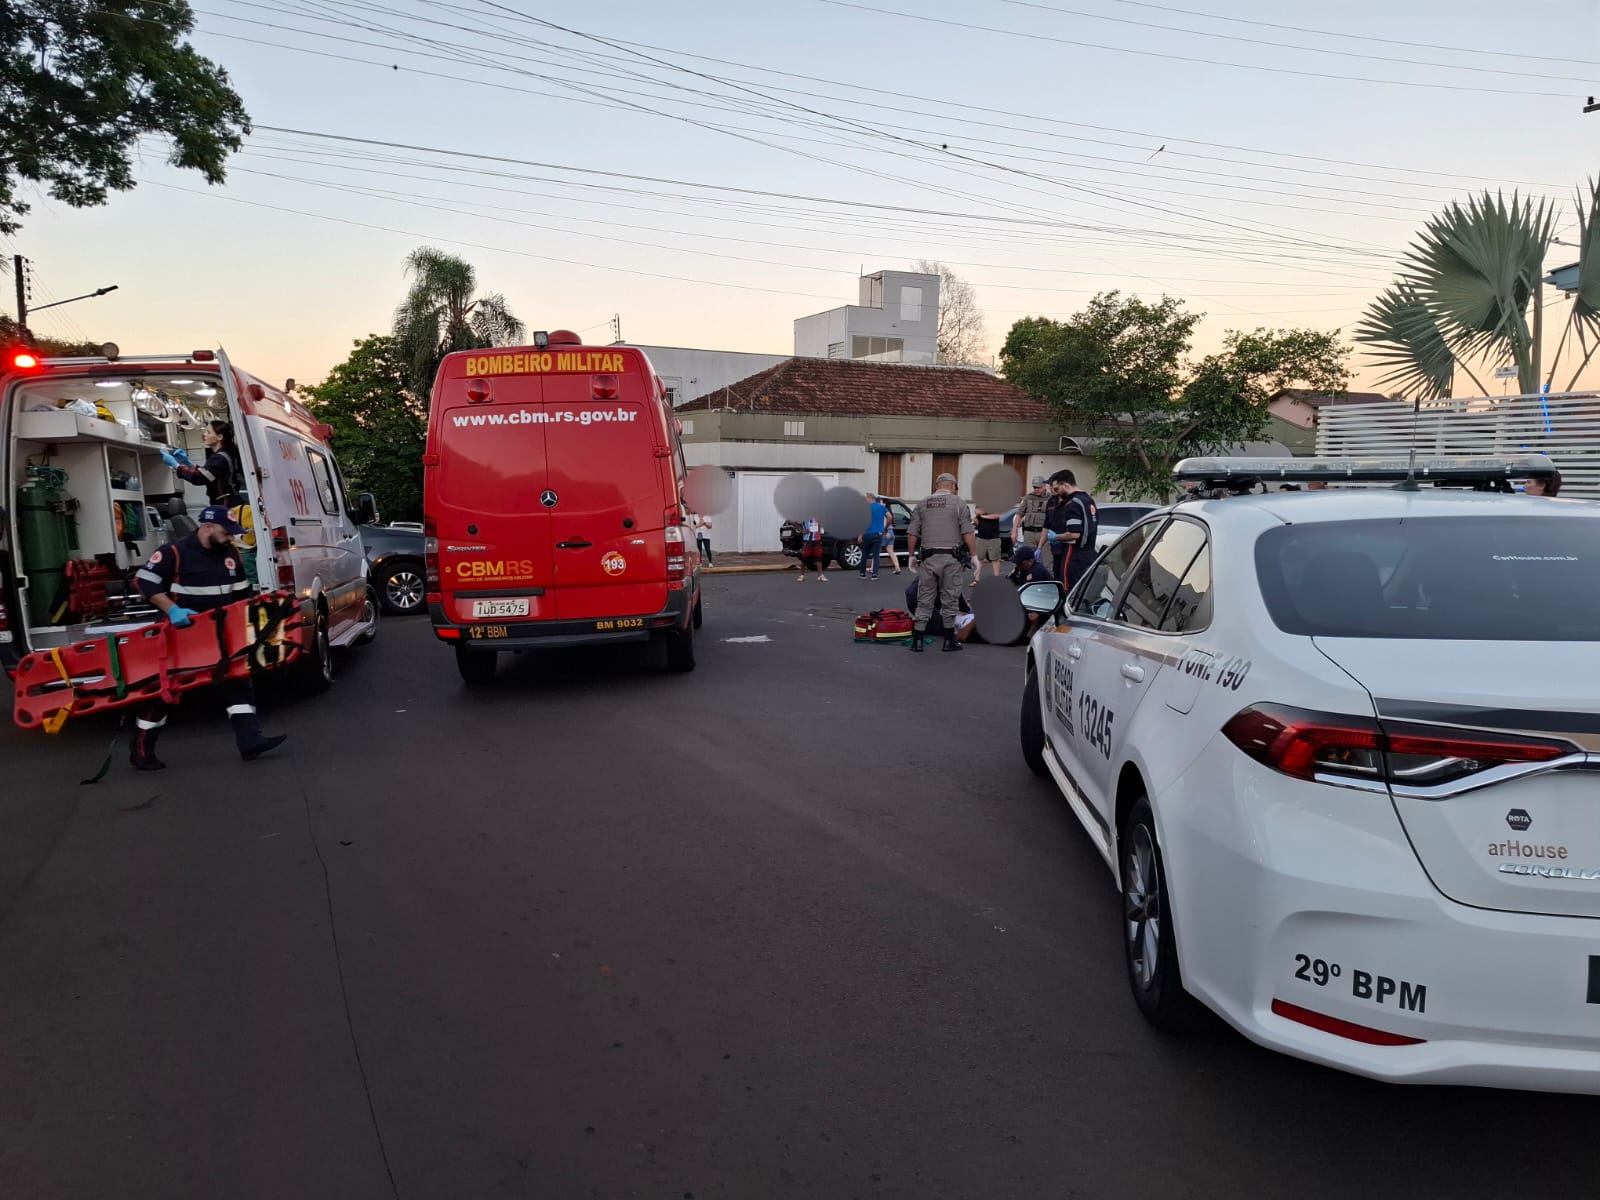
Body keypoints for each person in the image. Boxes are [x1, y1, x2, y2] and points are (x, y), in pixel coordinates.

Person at [130, 506, 288, 771]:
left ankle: (250, 741)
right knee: (166, 693)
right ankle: (141, 750)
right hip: (182, 635)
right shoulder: (174, 552)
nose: (231, 538)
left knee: (237, 681)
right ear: (207, 527)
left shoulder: (230, 555)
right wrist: (172, 609)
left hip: (220, 633)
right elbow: (144, 582)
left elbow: (242, 596)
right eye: (227, 533)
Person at [906, 473, 977, 652]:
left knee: (924, 599)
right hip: (951, 559)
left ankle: (917, 641)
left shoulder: (922, 504)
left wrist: (911, 556)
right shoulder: (959, 503)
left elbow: (912, 532)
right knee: (950, 600)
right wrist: (974, 555)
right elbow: (967, 532)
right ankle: (948, 641)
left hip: (928, 559)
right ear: (952, 485)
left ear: (937, 486)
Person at [161, 419, 243, 506]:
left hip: (225, 504)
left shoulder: (219, 458)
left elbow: (199, 478)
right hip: (231, 501)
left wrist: (176, 465)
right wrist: (188, 464)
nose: (204, 434)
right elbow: (208, 473)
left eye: (208, 432)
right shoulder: (227, 454)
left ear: (219, 437)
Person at [1043, 469, 1099, 588]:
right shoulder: (1088, 500)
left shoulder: (1072, 503)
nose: (1057, 493)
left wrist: (1055, 537)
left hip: (1074, 554)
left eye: (1057, 489)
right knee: (1083, 588)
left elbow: (1074, 534)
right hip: (1089, 553)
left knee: (1069, 588)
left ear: (1065, 485)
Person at [1012, 476, 1049, 557]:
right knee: (1029, 559)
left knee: (1046, 559)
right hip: (1029, 533)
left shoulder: (1051, 498)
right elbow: (1019, 514)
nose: (1036, 489)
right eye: (1035, 487)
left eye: (1039, 487)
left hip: (1044, 533)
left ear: (1044, 486)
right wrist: (1014, 531)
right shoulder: (1028, 497)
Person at [972, 502, 1006, 583]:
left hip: (994, 537)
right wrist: (989, 513)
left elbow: (997, 515)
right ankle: (976, 579)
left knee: (995, 559)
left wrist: (983, 515)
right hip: (981, 537)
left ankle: (996, 579)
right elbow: (977, 512)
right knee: (979, 559)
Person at [859, 492, 888, 579]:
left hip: (867, 534)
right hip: (878, 534)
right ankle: (874, 574)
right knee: (876, 555)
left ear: (870, 498)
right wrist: (885, 527)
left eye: (866, 498)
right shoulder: (881, 507)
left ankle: (862, 573)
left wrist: (860, 535)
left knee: (865, 554)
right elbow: (889, 516)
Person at [797, 515, 827, 581]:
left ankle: (820, 575)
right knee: (804, 558)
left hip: (817, 539)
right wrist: (802, 530)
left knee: (819, 557)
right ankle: (802, 575)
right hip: (807, 540)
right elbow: (793, 521)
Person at [879, 502, 903, 575]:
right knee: (891, 551)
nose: (880, 503)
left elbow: (883, 523)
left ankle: (872, 568)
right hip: (891, 532)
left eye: (881, 502)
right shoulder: (889, 511)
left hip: (885, 532)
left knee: (876, 551)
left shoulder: (882, 511)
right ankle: (897, 567)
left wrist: (883, 531)